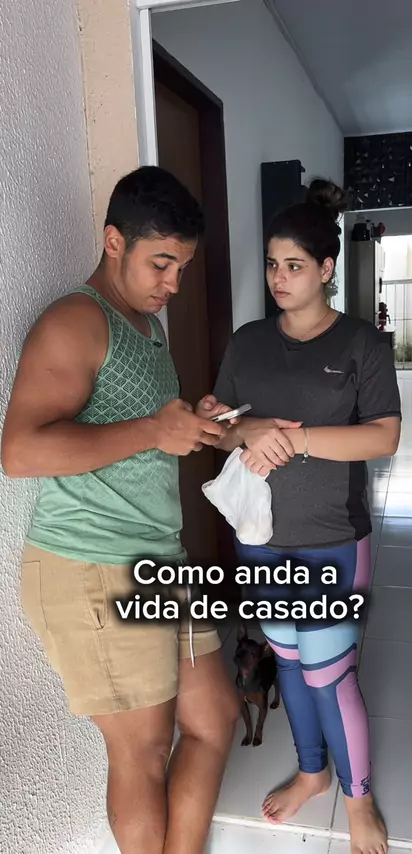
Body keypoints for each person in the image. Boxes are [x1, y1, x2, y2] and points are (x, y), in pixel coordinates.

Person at [1, 165, 241, 854]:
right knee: (143, 748)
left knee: (215, 716)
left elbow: (143, 429)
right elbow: (19, 452)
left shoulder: (149, 328)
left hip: (157, 559)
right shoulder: (76, 321)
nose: (173, 283)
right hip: (91, 564)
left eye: (182, 267)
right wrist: (153, 431)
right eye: (161, 263)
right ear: (114, 242)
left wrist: (191, 421)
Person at [209, 179, 401, 854]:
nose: (279, 278)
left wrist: (296, 441)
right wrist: (247, 428)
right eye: (272, 264)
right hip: (261, 535)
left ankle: (359, 800)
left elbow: (383, 436)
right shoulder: (248, 342)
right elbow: (217, 421)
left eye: (294, 265)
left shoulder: (361, 345)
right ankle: (313, 772)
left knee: (329, 671)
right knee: (287, 658)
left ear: (326, 268)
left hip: (331, 537)